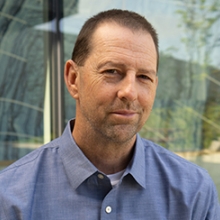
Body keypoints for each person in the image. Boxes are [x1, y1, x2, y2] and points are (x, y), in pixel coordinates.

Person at [0, 9, 219, 220]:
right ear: (73, 79)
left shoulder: (194, 192)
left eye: (144, 77)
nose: (130, 92)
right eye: (112, 71)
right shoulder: (10, 197)